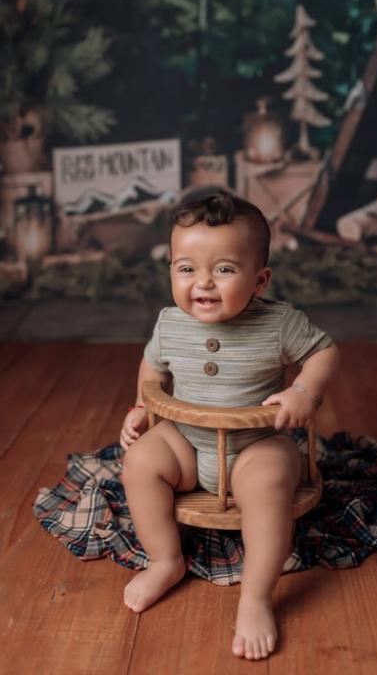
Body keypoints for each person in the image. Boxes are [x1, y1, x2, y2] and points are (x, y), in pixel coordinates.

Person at [119, 188, 340, 660]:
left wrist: (304, 392)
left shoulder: (278, 323)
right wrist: (141, 405)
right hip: (186, 443)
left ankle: (256, 597)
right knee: (139, 462)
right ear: (171, 270)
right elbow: (152, 368)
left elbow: (324, 352)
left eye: (223, 269)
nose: (203, 282)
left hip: (255, 444)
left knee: (268, 481)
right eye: (186, 269)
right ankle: (166, 559)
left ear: (259, 280)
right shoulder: (169, 323)